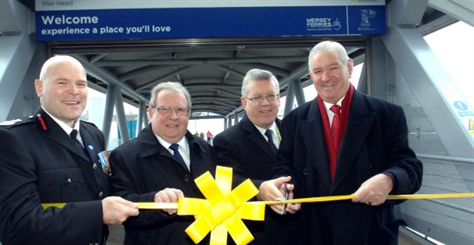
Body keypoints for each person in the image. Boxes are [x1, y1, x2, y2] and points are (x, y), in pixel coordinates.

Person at [258, 40, 423, 244]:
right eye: (318, 71)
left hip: (370, 233)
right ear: (311, 76)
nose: (326, 77)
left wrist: (389, 180)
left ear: (349, 67)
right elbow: (284, 168)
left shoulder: (387, 114)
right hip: (313, 233)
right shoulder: (294, 120)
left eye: (333, 67)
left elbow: (410, 167)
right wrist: (284, 187)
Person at [0, 55, 139, 245]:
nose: (74, 91)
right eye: (62, 83)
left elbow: (107, 189)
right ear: (39, 87)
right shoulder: (10, 141)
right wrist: (99, 212)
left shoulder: (93, 135)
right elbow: (16, 227)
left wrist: (153, 198)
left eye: (81, 84)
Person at [108, 81, 217, 245]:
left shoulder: (207, 150)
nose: (173, 116)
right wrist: (155, 201)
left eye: (180, 110)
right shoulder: (124, 156)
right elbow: (120, 205)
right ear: (151, 113)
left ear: (188, 114)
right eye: (165, 109)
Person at [213, 68, 294, 244]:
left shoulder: (294, 131)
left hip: (299, 232)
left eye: (271, 96)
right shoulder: (226, 141)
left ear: (279, 99)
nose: (266, 103)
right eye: (257, 97)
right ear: (244, 102)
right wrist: (259, 189)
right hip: (258, 235)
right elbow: (228, 183)